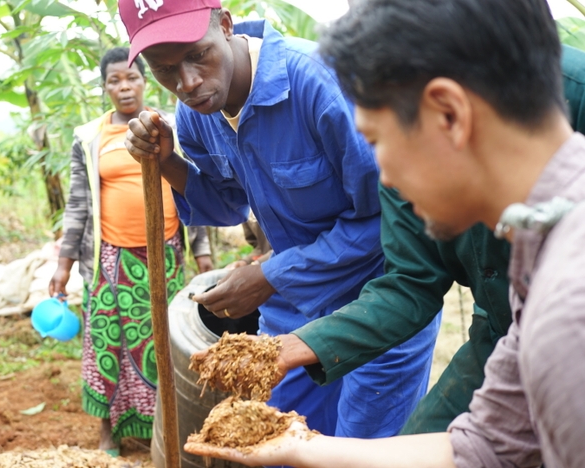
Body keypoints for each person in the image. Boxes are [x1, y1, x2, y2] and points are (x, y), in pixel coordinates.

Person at [184, 0, 585, 466]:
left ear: (449, 114)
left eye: (376, 142)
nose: (385, 182)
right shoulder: (536, 265)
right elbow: (490, 443)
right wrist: (303, 447)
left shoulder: (565, 313)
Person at [119, 0, 443, 442]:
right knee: (279, 441)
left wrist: (270, 275)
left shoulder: (319, 84)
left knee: (360, 449)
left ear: (227, 26)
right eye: (165, 69)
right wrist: (168, 162)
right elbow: (226, 204)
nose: (188, 82)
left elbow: (389, 218)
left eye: (198, 55)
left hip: (380, 301)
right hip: (293, 307)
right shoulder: (199, 113)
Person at [48, 47, 212, 454]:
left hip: (167, 254)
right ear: (105, 87)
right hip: (108, 260)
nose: (124, 87)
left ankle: (165, 430)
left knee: (163, 344)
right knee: (107, 342)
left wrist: (204, 254)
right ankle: (109, 432)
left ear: (145, 80)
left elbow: (193, 186)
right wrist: (64, 265)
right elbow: (78, 204)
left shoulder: (170, 126)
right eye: (114, 80)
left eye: (132, 78)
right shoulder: (89, 137)